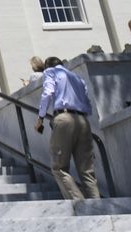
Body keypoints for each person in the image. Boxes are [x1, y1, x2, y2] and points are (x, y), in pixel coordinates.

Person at [35, 57, 99, 201]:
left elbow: (47, 93)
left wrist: (40, 118)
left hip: (64, 118)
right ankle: (97, 206)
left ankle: (79, 203)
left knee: (59, 168)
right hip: (82, 120)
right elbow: (87, 102)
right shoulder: (76, 77)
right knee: (87, 171)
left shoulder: (51, 72)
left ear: (47, 67)